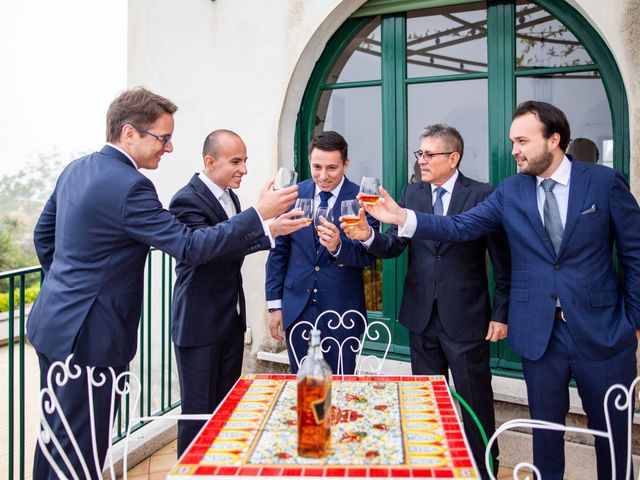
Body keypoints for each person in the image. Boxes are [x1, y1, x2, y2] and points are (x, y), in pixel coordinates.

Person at [27, 87, 299, 479]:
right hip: (90, 338)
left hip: (54, 324)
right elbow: (188, 246)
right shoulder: (130, 186)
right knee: (82, 454)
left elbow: (45, 237)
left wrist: (67, 291)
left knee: (57, 442)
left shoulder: (77, 168)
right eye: (163, 138)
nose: (169, 148)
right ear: (129, 133)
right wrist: (257, 214)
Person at [360, 101, 640, 479]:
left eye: (522, 141)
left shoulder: (604, 182)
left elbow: (635, 252)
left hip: (604, 332)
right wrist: (404, 218)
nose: (514, 151)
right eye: (513, 141)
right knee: (545, 436)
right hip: (540, 336)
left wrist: (633, 320)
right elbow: (460, 228)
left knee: (613, 440)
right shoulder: (510, 191)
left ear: (554, 139)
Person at [341, 124, 510, 478]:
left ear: (453, 158)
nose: (421, 161)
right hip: (420, 316)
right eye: (419, 153)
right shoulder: (413, 193)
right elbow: (394, 246)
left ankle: (484, 469)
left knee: (475, 401)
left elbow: (502, 261)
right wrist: (368, 235)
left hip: (466, 318)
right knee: (427, 403)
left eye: (429, 154)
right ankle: (434, 467)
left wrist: (501, 312)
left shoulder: (482, 194)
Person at [169, 129, 307, 456]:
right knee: (198, 415)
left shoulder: (230, 198)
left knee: (225, 409)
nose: (244, 169)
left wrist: (271, 231)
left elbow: (231, 245)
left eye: (245, 161)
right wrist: (261, 219)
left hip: (230, 320)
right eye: (236, 161)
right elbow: (204, 251)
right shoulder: (186, 200)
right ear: (209, 161)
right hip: (199, 323)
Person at [265, 130, 379, 374]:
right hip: (297, 308)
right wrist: (275, 306)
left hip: (343, 311)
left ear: (346, 164)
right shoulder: (293, 195)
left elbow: (369, 256)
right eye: (317, 167)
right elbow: (278, 252)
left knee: (340, 383)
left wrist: (339, 247)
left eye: (332, 168)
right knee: (302, 383)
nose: (323, 176)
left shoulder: (363, 200)